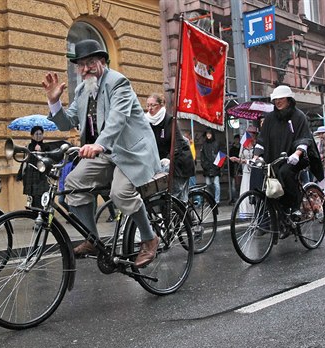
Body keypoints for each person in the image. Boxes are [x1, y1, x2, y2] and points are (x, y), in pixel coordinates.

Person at [42, 39, 161, 267]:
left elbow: (118, 118)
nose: (85, 69)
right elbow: (68, 122)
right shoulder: (82, 90)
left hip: (131, 152)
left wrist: (99, 144)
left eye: (91, 62)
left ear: (103, 62)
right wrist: (54, 102)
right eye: (81, 64)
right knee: (72, 184)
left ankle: (149, 238)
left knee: (120, 193)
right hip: (107, 154)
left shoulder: (118, 83)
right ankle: (93, 240)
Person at [253, 85, 324, 218]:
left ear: (289, 100)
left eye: (281, 99)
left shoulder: (299, 116)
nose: (278, 102)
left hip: (296, 156)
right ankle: (275, 213)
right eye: (275, 100)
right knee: (269, 179)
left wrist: (297, 154)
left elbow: (304, 137)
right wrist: (256, 156)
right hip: (275, 157)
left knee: (285, 172)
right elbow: (262, 139)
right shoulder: (269, 118)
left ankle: (294, 206)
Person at [145, 93, 195, 202]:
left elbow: (178, 144)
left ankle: (188, 217)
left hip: (179, 163)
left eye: (153, 105)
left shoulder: (169, 121)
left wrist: (168, 159)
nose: (149, 108)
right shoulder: (146, 122)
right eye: (148, 105)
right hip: (160, 165)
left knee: (175, 198)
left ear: (161, 105)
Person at [16, 126, 50, 208]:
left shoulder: (46, 147)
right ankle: (35, 216)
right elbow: (25, 162)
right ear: (32, 135)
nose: (39, 136)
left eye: (41, 134)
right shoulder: (28, 147)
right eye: (36, 134)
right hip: (30, 178)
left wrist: (40, 152)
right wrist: (20, 175)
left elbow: (48, 162)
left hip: (41, 178)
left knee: (40, 200)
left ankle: (41, 217)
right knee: (32, 200)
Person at [229, 125, 257, 216]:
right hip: (245, 171)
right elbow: (241, 158)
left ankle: (254, 210)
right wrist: (237, 159)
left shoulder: (257, 145)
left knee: (254, 190)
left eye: (252, 133)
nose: (249, 135)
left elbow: (256, 159)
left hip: (255, 171)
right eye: (248, 133)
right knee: (245, 191)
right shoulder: (243, 144)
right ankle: (246, 211)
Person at [200, 129, 222, 204]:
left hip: (215, 167)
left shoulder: (217, 143)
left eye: (210, 134)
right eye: (207, 134)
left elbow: (221, 155)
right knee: (208, 184)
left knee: (216, 184)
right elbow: (202, 156)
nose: (208, 135)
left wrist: (218, 165)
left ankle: (217, 200)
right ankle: (212, 199)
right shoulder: (204, 144)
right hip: (207, 167)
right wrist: (204, 165)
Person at [228, 134, 241, 204]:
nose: (236, 141)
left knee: (238, 185)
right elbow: (230, 161)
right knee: (233, 186)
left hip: (239, 169)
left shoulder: (241, 148)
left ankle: (238, 198)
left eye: (237, 140)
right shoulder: (232, 149)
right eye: (235, 140)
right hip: (233, 170)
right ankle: (234, 198)